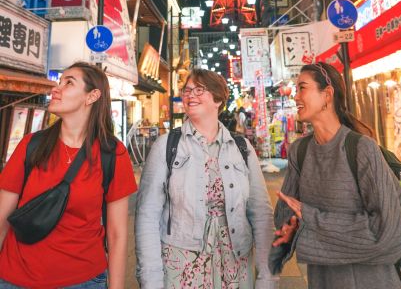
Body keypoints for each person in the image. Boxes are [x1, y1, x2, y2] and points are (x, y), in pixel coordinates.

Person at [270, 62, 401, 289]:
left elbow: (387, 233)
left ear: (327, 95)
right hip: (323, 279)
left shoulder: (361, 148)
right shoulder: (300, 151)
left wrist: (312, 219)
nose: (295, 97)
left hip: (373, 280)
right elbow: (285, 221)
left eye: (302, 88)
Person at [135, 67, 278, 289]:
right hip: (181, 268)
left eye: (199, 89)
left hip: (235, 268)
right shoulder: (167, 146)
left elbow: (261, 214)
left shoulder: (241, 148)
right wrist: (150, 280)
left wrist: (267, 277)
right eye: (187, 90)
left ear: (218, 99)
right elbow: (147, 216)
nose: (190, 94)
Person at [0, 62, 137, 289]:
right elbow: (2, 217)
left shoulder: (112, 154)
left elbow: (117, 234)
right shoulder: (31, 145)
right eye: (59, 81)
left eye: (69, 83)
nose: (56, 88)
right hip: (15, 278)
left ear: (92, 96)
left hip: (83, 280)